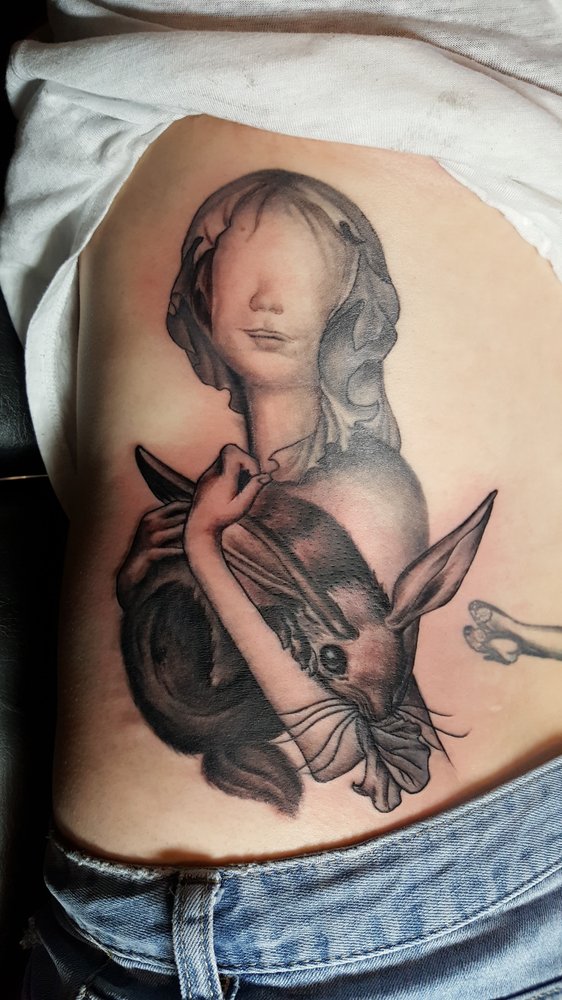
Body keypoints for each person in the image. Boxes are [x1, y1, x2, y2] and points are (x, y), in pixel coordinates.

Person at [1, 4, 561, 998]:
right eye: (240, 272)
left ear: (350, 304)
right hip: (497, 902)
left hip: (124, 944)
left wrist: (205, 546)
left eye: (300, 280)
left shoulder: (360, 488)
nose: (265, 300)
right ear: (197, 295)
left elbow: (310, 682)